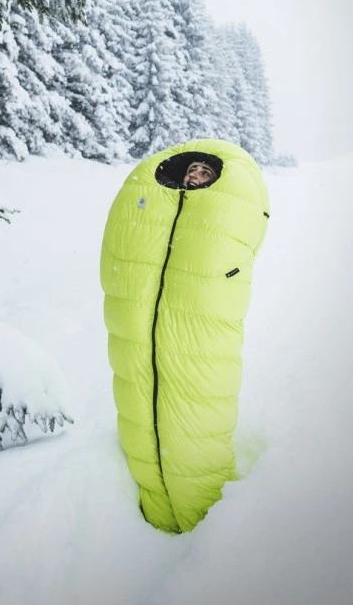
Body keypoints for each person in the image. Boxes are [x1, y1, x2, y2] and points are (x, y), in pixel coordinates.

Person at [100, 139, 269, 533]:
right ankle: (155, 512)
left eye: (205, 172)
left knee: (195, 421)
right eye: (193, 169)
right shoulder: (158, 207)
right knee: (142, 412)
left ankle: (206, 526)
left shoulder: (219, 214)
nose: (196, 175)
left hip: (197, 339)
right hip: (140, 334)